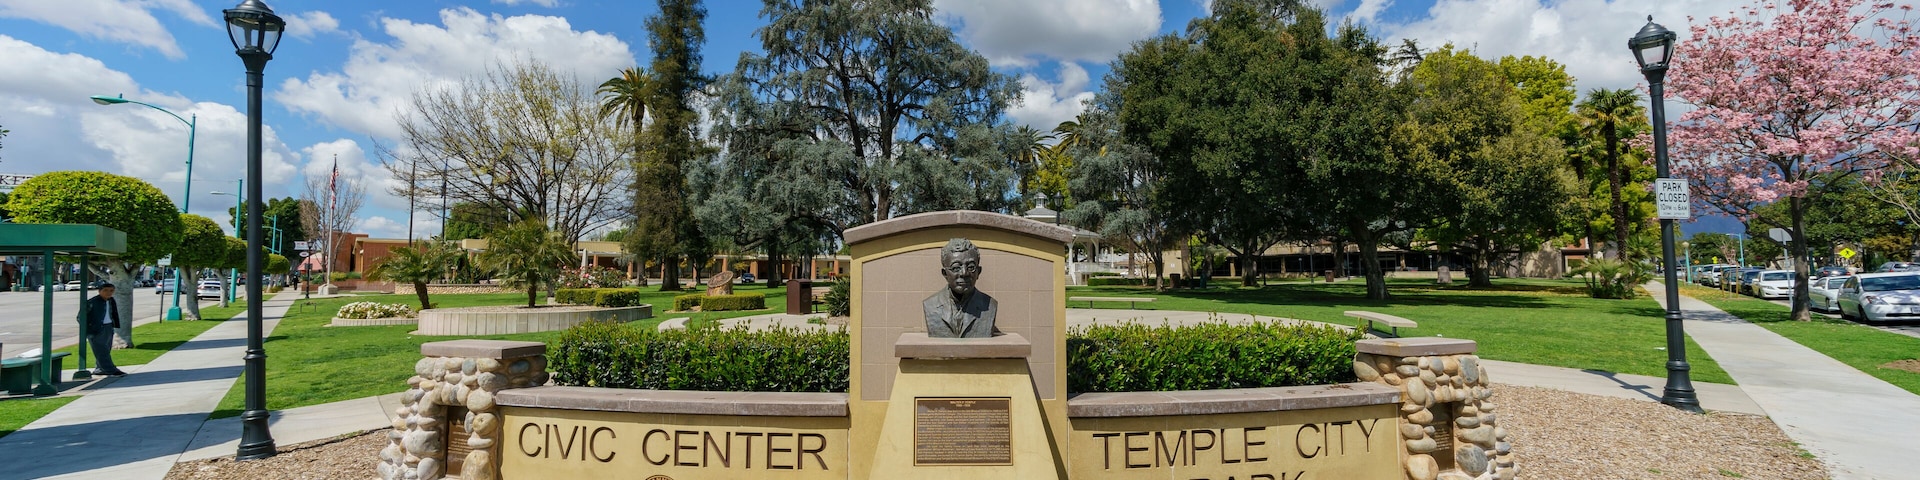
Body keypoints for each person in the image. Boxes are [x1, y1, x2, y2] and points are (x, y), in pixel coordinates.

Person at [922, 238, 998, 338]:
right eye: (956, 268)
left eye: (971, 267)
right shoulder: (930, 305)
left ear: (978, 272)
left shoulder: (990, 305)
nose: (964, 273)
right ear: (945, 274)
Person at [85, 283, 126, 376]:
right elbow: (81, 317)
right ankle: (111, 370)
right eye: (106, 290)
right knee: (101, 350)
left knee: (106, 349)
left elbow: (113, 313)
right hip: (96, 329)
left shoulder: (111, 300)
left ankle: (99, 369)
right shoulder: (93, 302)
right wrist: (90, 327)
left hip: (108, 327)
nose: (109, 293)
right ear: (99, 291)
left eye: (111, 291)